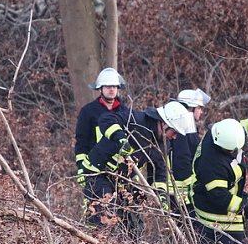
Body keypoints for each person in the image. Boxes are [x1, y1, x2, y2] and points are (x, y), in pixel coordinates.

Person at [80, 100, 191, 234]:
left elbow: (158, 173)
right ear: (165, 123)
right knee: (104, 216)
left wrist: (161, 195)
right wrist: (120, 138)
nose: (175, 137)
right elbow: (106, 119)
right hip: (98, 172)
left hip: (123, 180)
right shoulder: (137, 120)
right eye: (174, 132)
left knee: (134, 224)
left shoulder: (163, 145)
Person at [190, 113, 248, 244]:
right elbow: (220, 198)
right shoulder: (212, 165)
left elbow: (236, 128)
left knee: (246, 217)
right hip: (211, 209)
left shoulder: (218, 132)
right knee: (231, 239)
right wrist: (247, 207)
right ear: (226, 149)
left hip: (225, 191)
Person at [74, 68, 129, 204]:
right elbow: (82, 142)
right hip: (96, 168)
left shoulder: (125, 111)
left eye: (114, 87)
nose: (112, 90)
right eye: (108, 86)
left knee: (127, 211)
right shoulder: (88, 112)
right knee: (100, 208)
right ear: (100, 88)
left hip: (120, 169)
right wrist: (82, 167)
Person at [168, 88, 211, 210]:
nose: (201, 112)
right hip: (181, 192)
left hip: (182, 191)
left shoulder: (188, 126)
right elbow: (182, 160)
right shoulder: (182, 127)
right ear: (191, 108)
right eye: (199, 108)